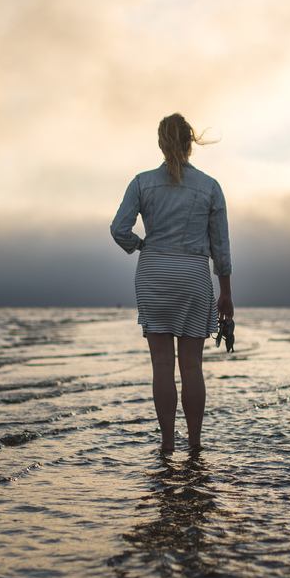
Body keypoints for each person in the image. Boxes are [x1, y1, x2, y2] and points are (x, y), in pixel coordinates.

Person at [110, 113, 233, 456]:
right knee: (192, 365)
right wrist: (226, 292)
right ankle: (194, 444)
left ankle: (167, 444)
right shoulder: (210, 186)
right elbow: (220, 245)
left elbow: (119, 229)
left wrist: (141, 246)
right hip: (194, 273)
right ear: (190, 144)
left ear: (161, 143)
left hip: (154, 272)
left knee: (162, 365)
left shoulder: (141, 182)